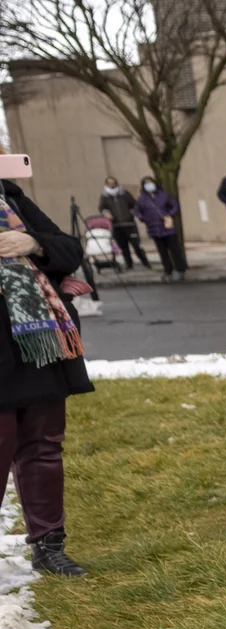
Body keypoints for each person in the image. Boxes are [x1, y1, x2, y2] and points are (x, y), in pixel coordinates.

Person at [0, 177, 91, 577]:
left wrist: (32, 244)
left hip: (37, 346)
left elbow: (70, 249)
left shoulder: (10, 196)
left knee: (43, 449)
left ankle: (49, 546)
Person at [133, 177, 187, 282]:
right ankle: (168, 270)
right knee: (162, 252)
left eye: (150, 183)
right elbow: (137, 211)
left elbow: (174, 205)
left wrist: (169, 214)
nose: (149, 185)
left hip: (167, 226)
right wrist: (143, 218)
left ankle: (181, 269)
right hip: (154, 228)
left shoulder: (164, 195)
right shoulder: (142, 199)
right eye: (146, 183)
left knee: (175, 250)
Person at [98, 176, 149, 271]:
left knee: (137, 245)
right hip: (116, 225)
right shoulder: (104, 196)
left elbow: (134, 205)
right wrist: (106, 213)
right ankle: (129, 264)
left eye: (113, 182)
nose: (112, 185)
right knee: (123, 246)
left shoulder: (124, 193)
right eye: (109, 183)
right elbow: (102, 208)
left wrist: (131, 213)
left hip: (129, 224)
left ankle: (145, 262)